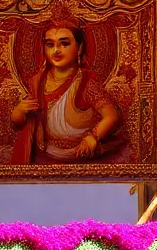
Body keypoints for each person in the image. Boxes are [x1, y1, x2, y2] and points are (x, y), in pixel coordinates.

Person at [9, 20, 125, 163]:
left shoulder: (85, 83)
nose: (56, 50)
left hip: (82, 156)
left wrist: (93, 136)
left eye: (64, 44)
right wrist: (19, 110)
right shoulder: (37, 82)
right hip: (46, 157)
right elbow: (21, 123)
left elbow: (112, 116)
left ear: (80, 48)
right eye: (50, 45)